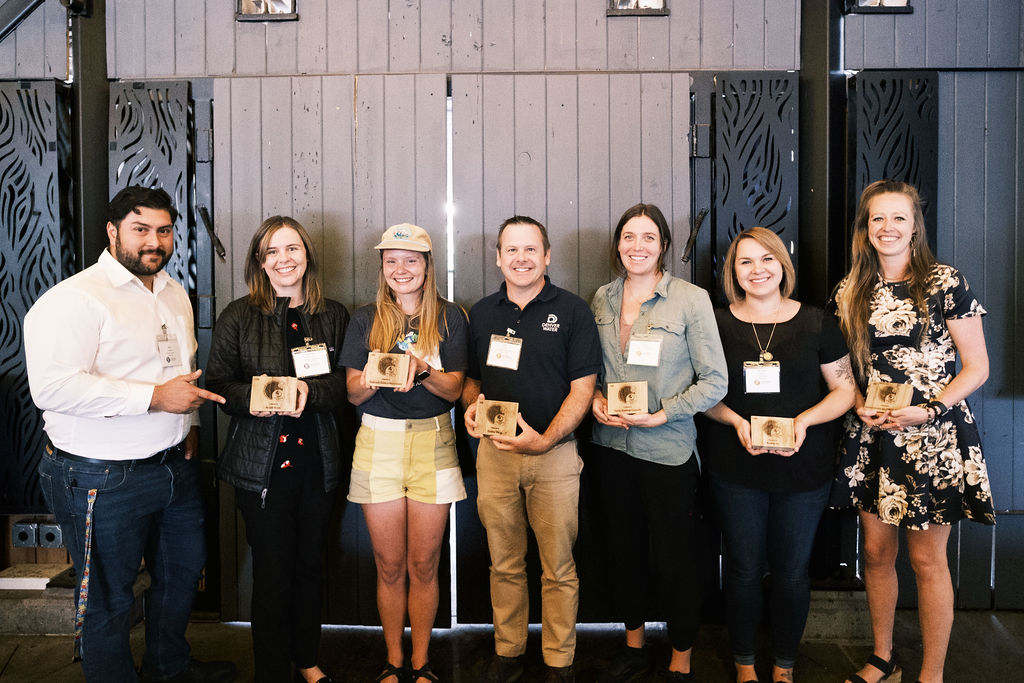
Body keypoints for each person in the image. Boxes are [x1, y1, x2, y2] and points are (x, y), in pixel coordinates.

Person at [23, 185, 235, 683]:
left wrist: (190, 424)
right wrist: (155, 399)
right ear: (112, 231)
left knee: (180, 577)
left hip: (172, 468)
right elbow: (53, 388)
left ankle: (168, 669)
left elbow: (181, 370)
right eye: (141, 230)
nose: (154, 242)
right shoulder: (74, 300)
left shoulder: (173, 292)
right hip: (98, 476)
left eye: (164, 231)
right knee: (109, 599)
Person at [832, 180, 994, 683]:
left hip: (935, 437)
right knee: (877, 553)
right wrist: (857, 404)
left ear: (915, 225)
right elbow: (840, 366)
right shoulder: (849, 290)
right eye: (877, 219)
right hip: (873, 438)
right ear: (865, 228)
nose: (888, 228)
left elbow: (977, 367)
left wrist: (929, 409)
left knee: (927, 560)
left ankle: (932, 672)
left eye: (898, 218)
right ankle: (884, 658)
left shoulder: (945, 281)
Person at [700, 226, 855, 683]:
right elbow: (701, 394)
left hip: (804, 472)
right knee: (745, 570)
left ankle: (784, 667)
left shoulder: (818, 322)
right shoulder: (715, 323)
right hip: (736, 467)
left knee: (791, 572)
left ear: (782, 266)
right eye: (745, 262)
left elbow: (845, 390)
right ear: (733, 272)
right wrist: (735, 422)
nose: (757, 270)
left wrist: (804, 422)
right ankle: (745, 665)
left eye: (766, 259)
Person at [205, 216, 350, 683]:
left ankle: (306, 660)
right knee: (272, 574)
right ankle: (271, 671)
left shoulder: (333, 314)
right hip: (261, 471)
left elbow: (345, 386)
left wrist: (312, 394)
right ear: (259, 262)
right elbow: (218, 386)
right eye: (272, 252)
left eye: (292, 249)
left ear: (307, 255)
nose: (283, 259)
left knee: (310, 567)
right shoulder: (238, 315)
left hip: (317, 465)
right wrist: (255, 400)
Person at [589, 203, 728, 683]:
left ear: (664, 245)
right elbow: (591, 375)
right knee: (623, 551)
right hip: (611, 448)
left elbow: (715, 382)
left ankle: (681, 655)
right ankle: (633, 645)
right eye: (629, 237)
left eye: (648, 237)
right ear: (618, 244)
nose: (637, 246)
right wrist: (594, 405)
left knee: (674, 559)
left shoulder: (690, 299)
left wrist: (662, 413)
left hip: (668, 451)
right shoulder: (602, 299)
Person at [463, 216, 602, 683]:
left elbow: (583, 389)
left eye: (531, 249)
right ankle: (508, 652)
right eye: (511, 250)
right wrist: (470, 408)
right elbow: (472, 383)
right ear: (498, 257)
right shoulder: (480, 313)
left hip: (555, 457)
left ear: (546, 256)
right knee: (504, 562)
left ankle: (559, 659)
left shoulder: (573, 311)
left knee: (558, 567)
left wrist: (545, 439)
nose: (521, 258)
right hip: (495, 455)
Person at [340, 223, 468, 683]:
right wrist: (374, 375)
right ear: (382, 267)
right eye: (391, 260)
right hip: (379, 441)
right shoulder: (364, 318)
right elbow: (353, 394)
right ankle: (393, 661)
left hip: (434, 440)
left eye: (411, 259)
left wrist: (422, 370)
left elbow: (454, 390)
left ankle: (422, 662)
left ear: (428, 266)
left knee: (423, 564)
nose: (401, 269)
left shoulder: (451, 317)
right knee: (390, 566)